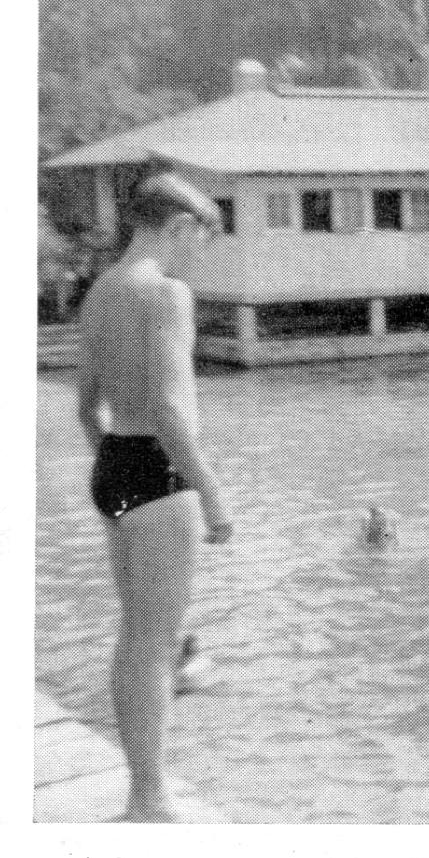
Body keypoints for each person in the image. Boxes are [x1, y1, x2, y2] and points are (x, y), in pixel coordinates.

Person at [76, 173, 232, 822]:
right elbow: (171, 409)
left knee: (135, 637)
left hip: (114, 460)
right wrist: (214, 497)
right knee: (156, 642)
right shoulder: (167, 293)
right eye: (199, 238)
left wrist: (118, 470)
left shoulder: (100, 292)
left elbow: (87, 407)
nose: (196, 254)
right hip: (159, 470)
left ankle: (145, 788)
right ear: (178, 225)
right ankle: (149, 797)